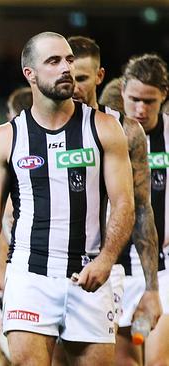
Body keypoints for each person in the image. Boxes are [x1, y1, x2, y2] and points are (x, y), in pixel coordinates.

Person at [0, 32, 135, 365]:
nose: (66, 68)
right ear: (31, 74)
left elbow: (124, 204)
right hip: (29, 276)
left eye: (68, 59)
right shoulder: (6, 137)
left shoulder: (104, 129)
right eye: (53, 62)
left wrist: (106, 259)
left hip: (89, 276)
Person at [67, 37, 162, 365]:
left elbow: (141, 208)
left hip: (118, 269)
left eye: (81, 77)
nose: (74, 85)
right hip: (51, 270)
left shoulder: (125, 130)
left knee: (134, 360)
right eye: (68, 75)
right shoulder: (30, 128)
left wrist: (152, 287)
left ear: (99, 76)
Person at [118, 54, 169, 365]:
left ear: (164, 94)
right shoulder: (108, 133)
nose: (141, 109)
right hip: (120, 268)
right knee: (126, 361)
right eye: (134, 99)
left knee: (157, 360)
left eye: (150, 101)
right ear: (122, 91)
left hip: (164, 267)